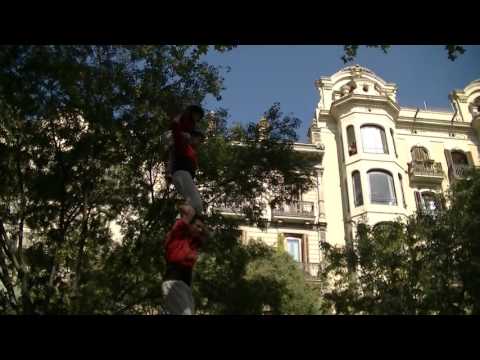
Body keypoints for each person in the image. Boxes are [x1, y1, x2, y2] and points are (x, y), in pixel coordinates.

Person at [162, 204, 209, 315]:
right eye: (197, 226)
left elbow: (207, 236)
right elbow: (186, 214)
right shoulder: (178, 234)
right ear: (189, 226)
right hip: (174, 282)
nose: (199, 230)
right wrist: (190, 207)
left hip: (185, 286)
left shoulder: (193, 242)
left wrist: (201, 223)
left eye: (200, 228)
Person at [168, 105, 205, 215]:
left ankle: (186, 218)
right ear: (192, 137)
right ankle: (186, 223)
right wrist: (180, 116)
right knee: (197, 205)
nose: (199, 142)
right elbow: (175, 127)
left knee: (193, 204)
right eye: (198, 139)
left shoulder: (192, 151)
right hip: (181, 174)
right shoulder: (183, 144)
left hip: (184, 176)